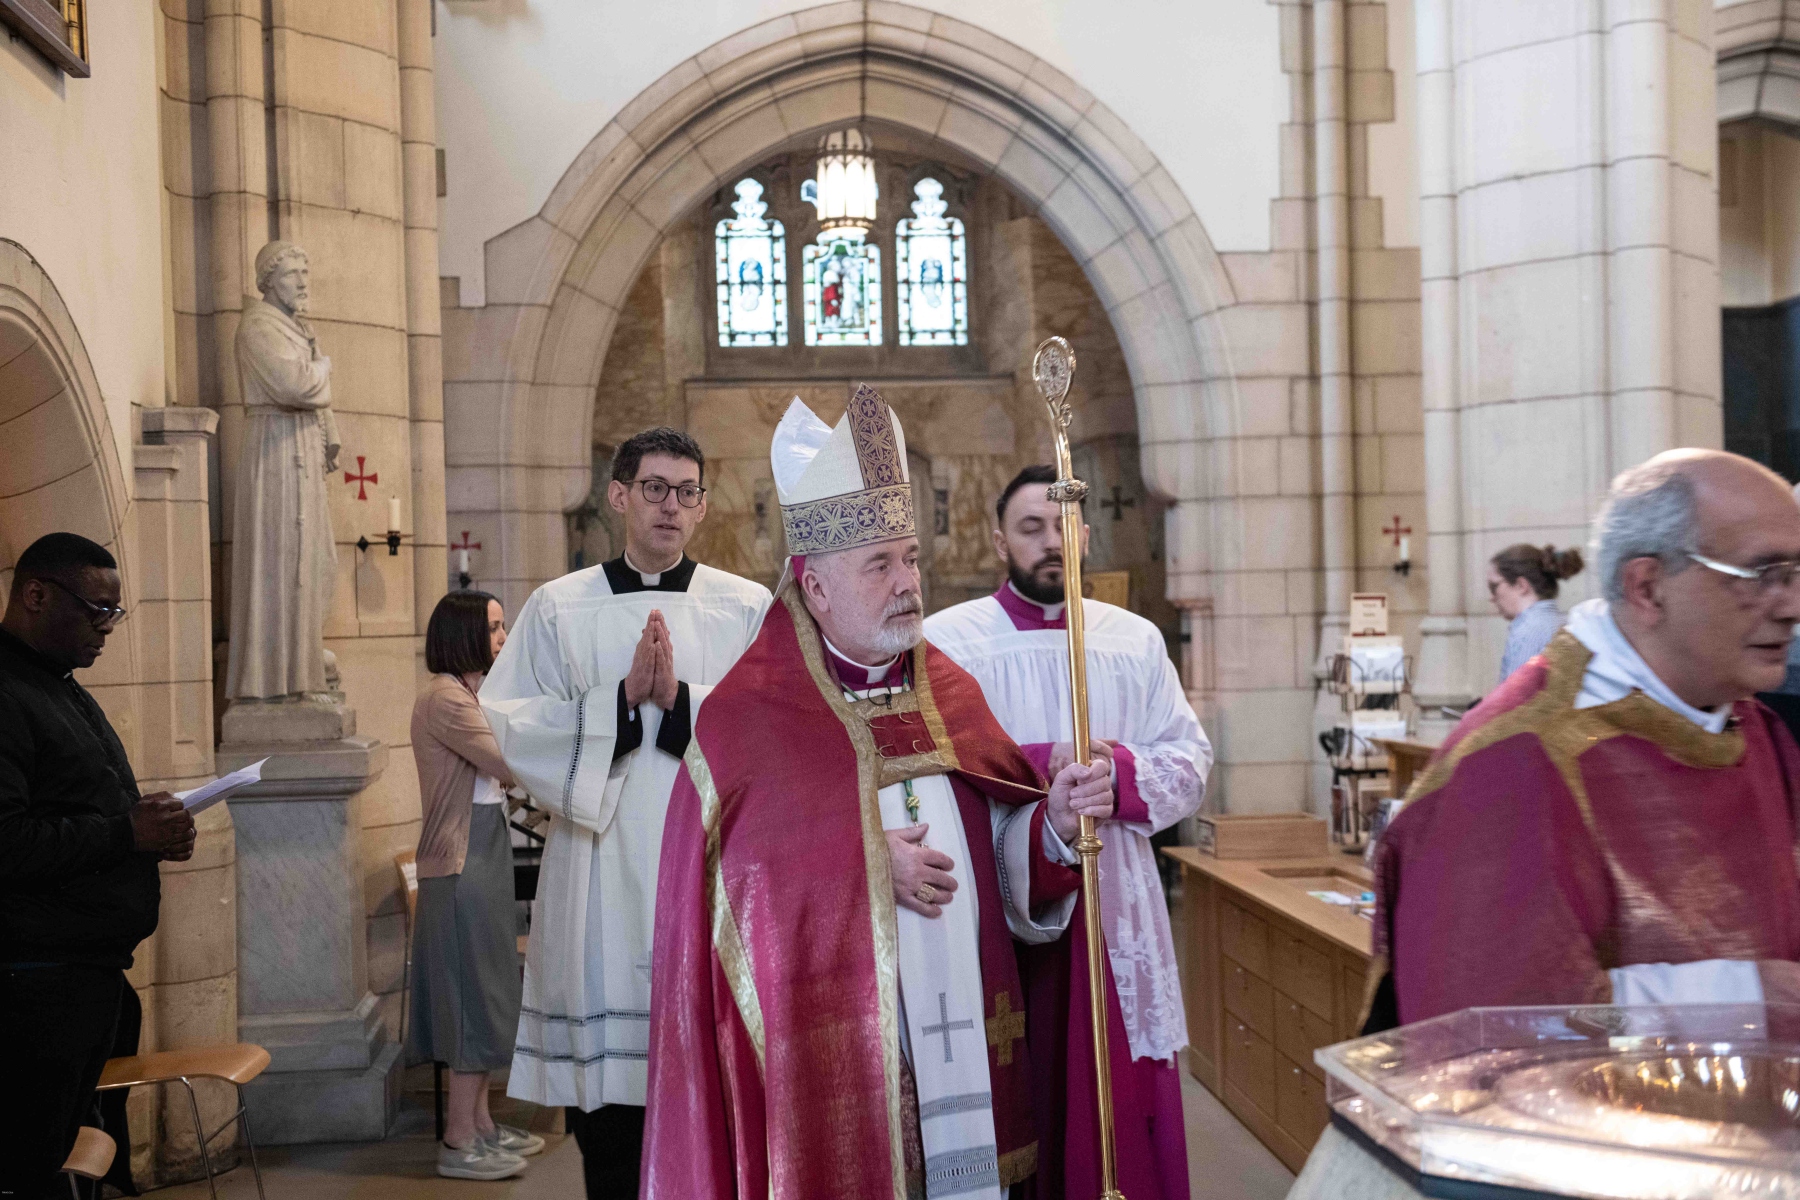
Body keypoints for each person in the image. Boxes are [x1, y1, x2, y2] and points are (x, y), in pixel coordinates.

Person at [643, 388, 1114, 1200]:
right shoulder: (744, 721)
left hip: (967, 1038)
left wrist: (1052, 827)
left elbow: (994, 856)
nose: (908, 584)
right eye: (880, 565)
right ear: (815, 587)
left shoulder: (949, 692)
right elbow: (724, 908)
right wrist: (862, 864)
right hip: (831, 1068)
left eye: (912, 559)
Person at [1365, 448, 1800, 1033]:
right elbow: (1492, 1026)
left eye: (1795, 574)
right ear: (1647, 587)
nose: (1793, 607)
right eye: (1763, 575)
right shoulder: (1512, 763)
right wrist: (1748, 998)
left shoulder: (1756, 728)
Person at [481, 428, 770, 1200]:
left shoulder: (745, 609)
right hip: (597, 877)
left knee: (717, 1116)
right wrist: (617, 703)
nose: (670, 505)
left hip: (709, 874)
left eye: (686, 491)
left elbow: (774, 730)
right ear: (619, 496)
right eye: (654, 489)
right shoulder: (558, 607)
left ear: (702, 506)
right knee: (609, 1125)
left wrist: (680, 704)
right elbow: (508, 721)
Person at [924, 465, 1211, 1200]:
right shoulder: (949, 642)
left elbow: (1190, 760)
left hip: (1119, 910)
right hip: (1002, 911)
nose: (1051, 542)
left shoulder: (1134, 640)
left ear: (1083, 535)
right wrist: (1040, 770)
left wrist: (1119, 775)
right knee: (1026, 1098)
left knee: (1119, 1107)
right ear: (999, 542)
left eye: (1063, 527)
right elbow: (933, 776)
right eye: (1030, 528)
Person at [0, 533, 196, 1199]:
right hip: (34, 986)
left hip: (84, 975)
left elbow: (78, 810)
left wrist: (150, 832)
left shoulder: (55, 684)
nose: (107, 628)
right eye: (96, 610)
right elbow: (7, 842)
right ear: (35, 594)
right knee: (30, 1171)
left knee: (70, 1162)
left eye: (115, 612)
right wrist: (125, 833)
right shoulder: (6, 691)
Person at [409, 590, 543, 1181]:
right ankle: (459, 1138)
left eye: (503, 625)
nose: (503, 638)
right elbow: (508, 763)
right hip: (460, 865)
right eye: (493, 627)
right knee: (471, 996)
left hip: (483, 854)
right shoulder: (444, 698)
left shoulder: (468, 694)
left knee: (487, 990)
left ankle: (482, 1124)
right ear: (463, 634)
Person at [1487, 542, 1584, 682]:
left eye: (1493, 586)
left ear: (1521, 585)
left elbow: (1518, 695)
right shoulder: (1564, 622)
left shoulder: (1529, 633)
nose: (1491, 597)